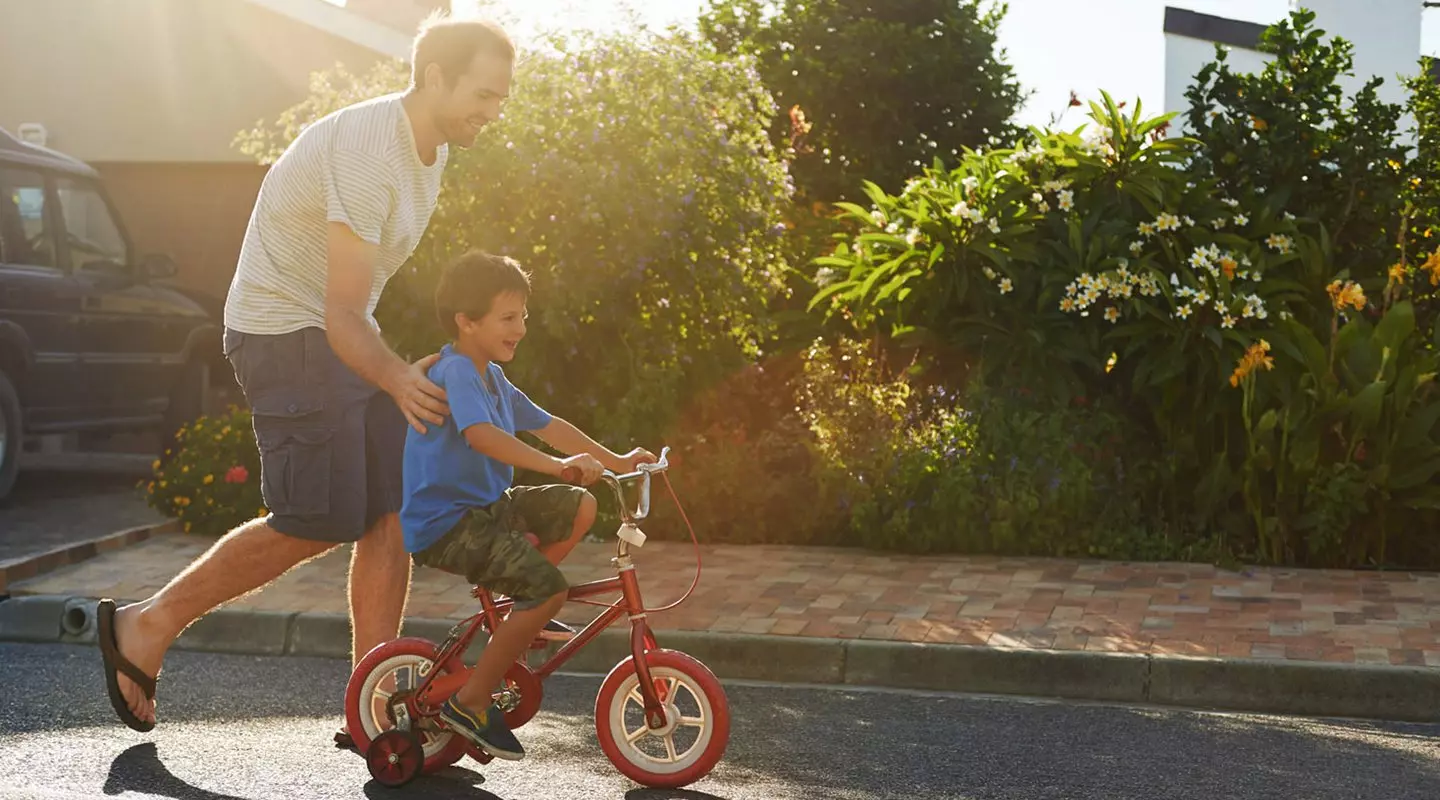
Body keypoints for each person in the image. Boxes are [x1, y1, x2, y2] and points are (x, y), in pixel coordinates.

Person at [95, 15, 516, 740]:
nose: (493, 110)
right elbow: (341, 311)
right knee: (317, 516)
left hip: (335, 337)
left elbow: (355, 308)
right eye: (484, 92)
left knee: (390, 507)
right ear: (436, 76)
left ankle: (372, 703)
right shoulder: (368, 149)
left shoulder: (432, 151)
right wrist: (391, 375)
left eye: (502, 97)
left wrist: (392, 370)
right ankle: (145, 625)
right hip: (282, 334)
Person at [401, 250, 655, 760]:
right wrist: (557, 466)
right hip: (448, 525)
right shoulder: (458, 372)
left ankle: (524, 611)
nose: (521, 328)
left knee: (579, 507)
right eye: (508, 318)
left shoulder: (491, 375)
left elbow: (548, 425)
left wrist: (617, 461)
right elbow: (481, 437)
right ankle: (470, 703)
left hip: (488, 508)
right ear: (466, 322)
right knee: (547, 591)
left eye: (524, 316)